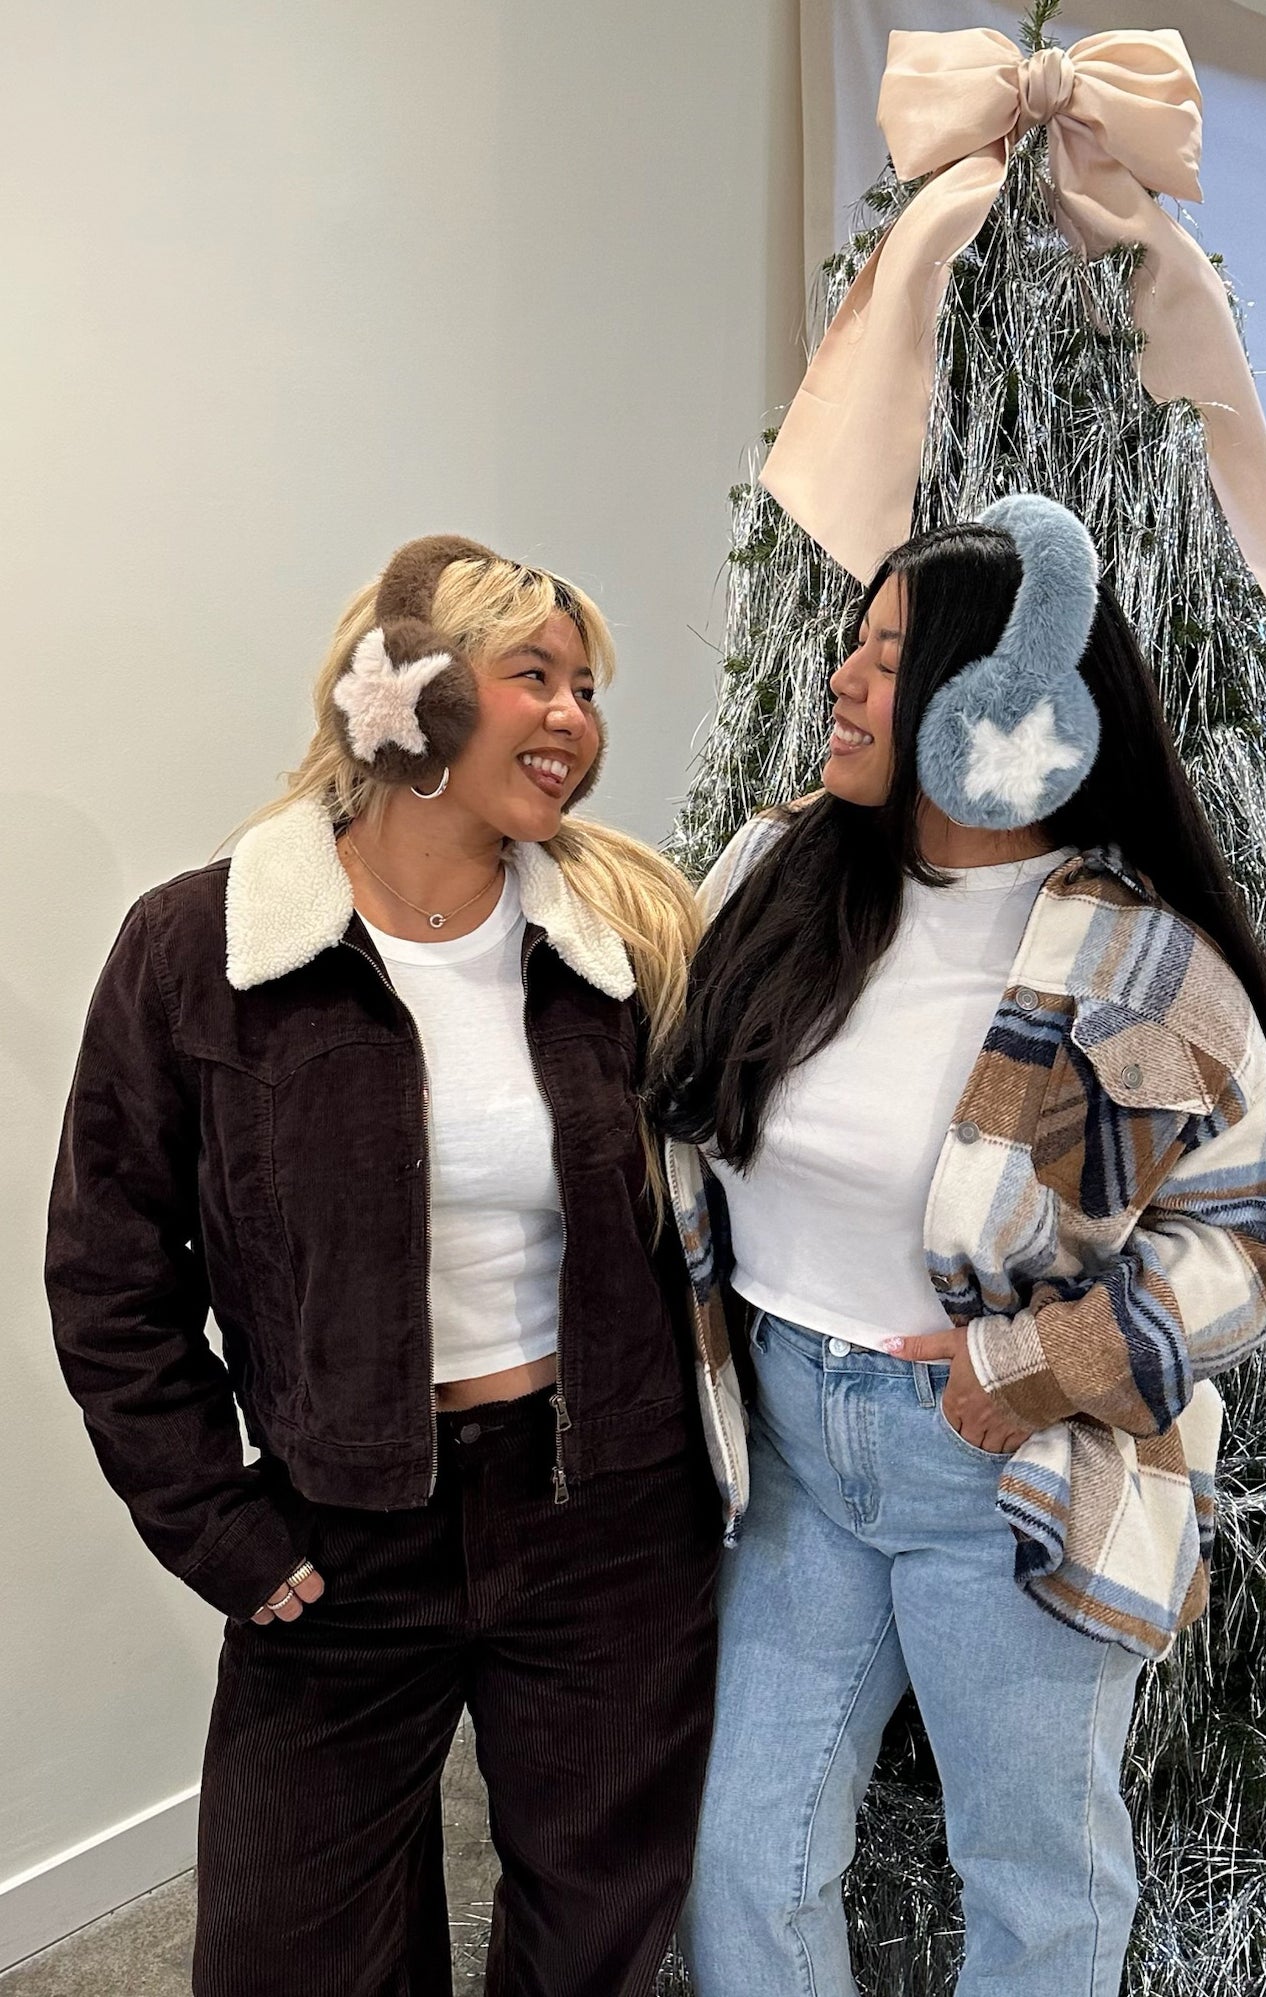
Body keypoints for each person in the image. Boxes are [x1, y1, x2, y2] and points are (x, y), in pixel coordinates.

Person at [47, 535, 738, 1997]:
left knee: (594, 1925)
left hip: (602, 1509)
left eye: (588, 688)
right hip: (342, 1525)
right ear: (413, 696)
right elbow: (111, 1272)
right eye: (533, 676)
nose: (575, 717)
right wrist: (218, 1522)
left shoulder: (619, 934)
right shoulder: (203, 948)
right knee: (283, 1952)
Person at [652, 496, 1266, 1997]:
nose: (839, 675)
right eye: (856, 642)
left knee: (1035, 1878)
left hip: (1007, 1469)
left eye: (886, 654)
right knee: (745, 1861)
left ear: (997, 702)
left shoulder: (1143, 966)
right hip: (790, 1458)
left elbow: (1255, 1238)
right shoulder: (775, 873)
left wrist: (1031, 1364)